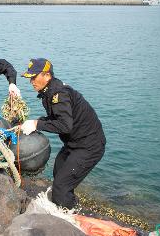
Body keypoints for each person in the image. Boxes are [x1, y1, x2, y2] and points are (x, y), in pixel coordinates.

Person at [19, 58, 106, 209]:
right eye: (30, 78)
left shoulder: (59, 94)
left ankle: (68, 218)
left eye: (34, 77)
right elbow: (58, 118)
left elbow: (65, 126)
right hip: (74, 143)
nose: (31, 81)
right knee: (59, 172)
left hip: (89, 146)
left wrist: (37, 124)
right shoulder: (49, 91)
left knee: (61, 187)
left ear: (47, 76)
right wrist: (39, 121)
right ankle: (69, 203)